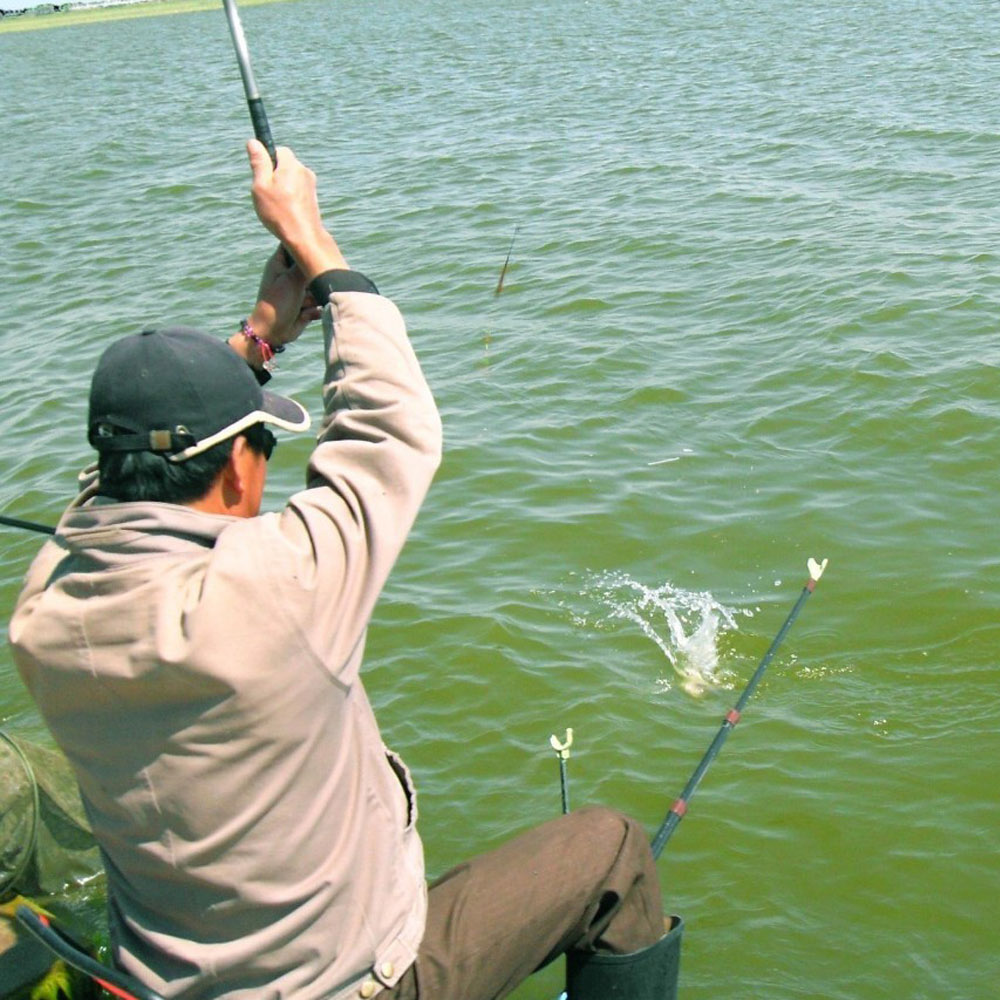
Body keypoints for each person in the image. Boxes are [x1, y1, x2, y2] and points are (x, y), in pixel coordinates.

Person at [7, 141, 682, 1000]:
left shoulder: (47, 607)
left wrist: (258, 338)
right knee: (612, 850)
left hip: (166, 980)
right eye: (259, 443)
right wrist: (316, 246)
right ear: (238, 471)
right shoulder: (274, 589)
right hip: (348, 982)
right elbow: (392, 431)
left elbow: (113, 489)